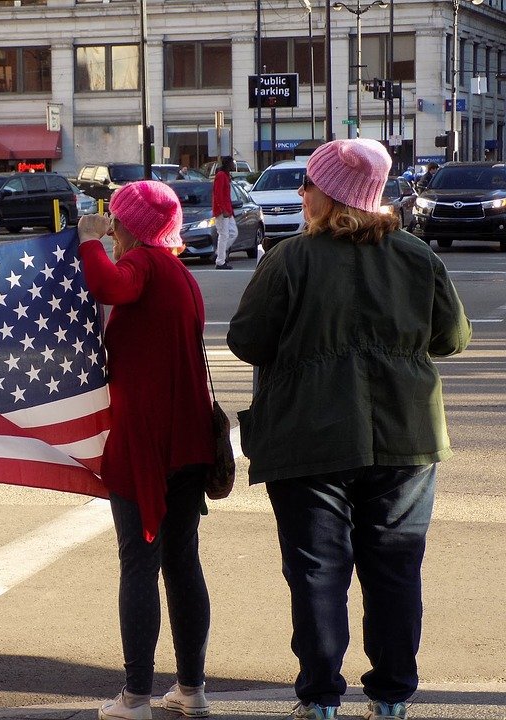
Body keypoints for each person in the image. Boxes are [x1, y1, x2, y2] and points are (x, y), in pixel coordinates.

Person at [226, 139, 471, 720]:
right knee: (395, 567)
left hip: (308, 436)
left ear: (327, 192)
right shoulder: (417, 256)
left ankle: (321, 698)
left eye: (308, 183)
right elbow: (452, 339)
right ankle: (391, 695)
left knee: (316, 569)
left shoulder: (289, 259)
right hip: (405, 434)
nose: (302, 193)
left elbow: (246, 340)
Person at [77, 181, 216, 720]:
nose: (110, 229)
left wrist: (87, 241)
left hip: (147, 442)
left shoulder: (146, 266)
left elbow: (107, 284)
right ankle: (191, 688)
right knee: (183, 562)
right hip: (189, 441)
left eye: (115, 221)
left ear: (132, 226)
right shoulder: (181, 274)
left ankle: (134, 696)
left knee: (138, 562)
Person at [212, 156, 238, 269]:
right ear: (228, 164)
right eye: (232, 163)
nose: (234, 165)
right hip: (222, 211)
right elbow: (218, 194)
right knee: (224, 234)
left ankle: (219, 253)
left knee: (233, 233)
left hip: (227, 210)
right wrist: (222, 210)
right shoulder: (221, 175)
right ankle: (220, 261)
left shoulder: (225, 175)